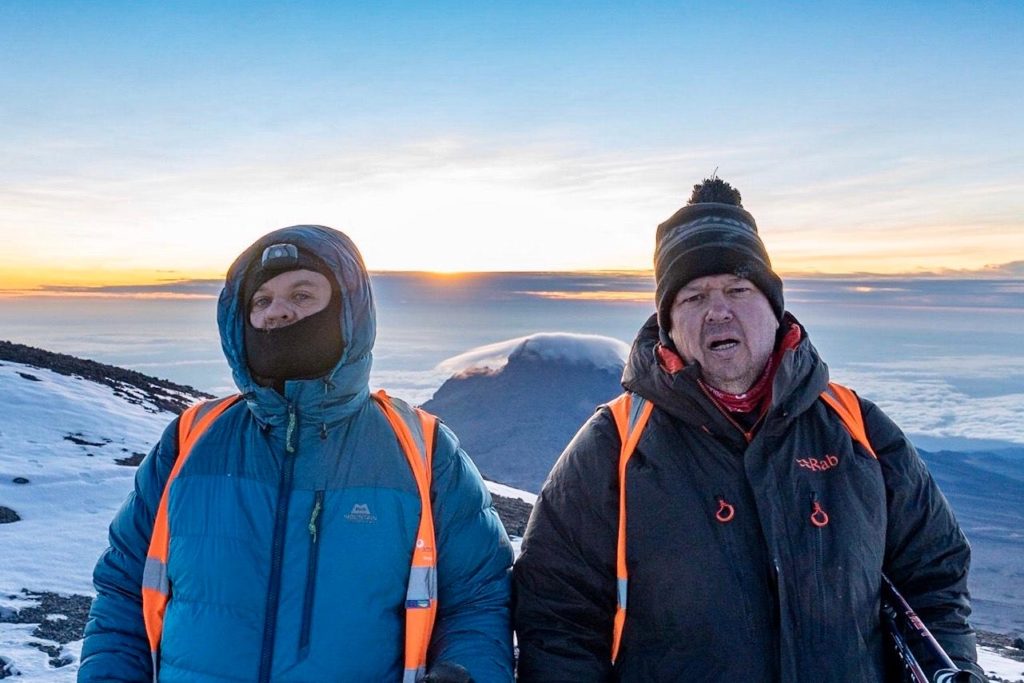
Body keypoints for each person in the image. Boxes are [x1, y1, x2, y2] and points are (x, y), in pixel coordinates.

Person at [512, 179, 983, 681]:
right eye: (693, 297)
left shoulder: (857, 429)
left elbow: (933, 577)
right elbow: (557, 618)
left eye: (738, 289)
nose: (718, 310)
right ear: (668, 324)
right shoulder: (615, 446)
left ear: (774, 309)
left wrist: (951, 666)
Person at [79, 225, 514, 682]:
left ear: (348, 312)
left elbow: (477, 597)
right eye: (260, 301)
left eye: (302, 295)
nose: (277, 313)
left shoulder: (421, 449)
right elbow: (123, 590)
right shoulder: (191, 441)